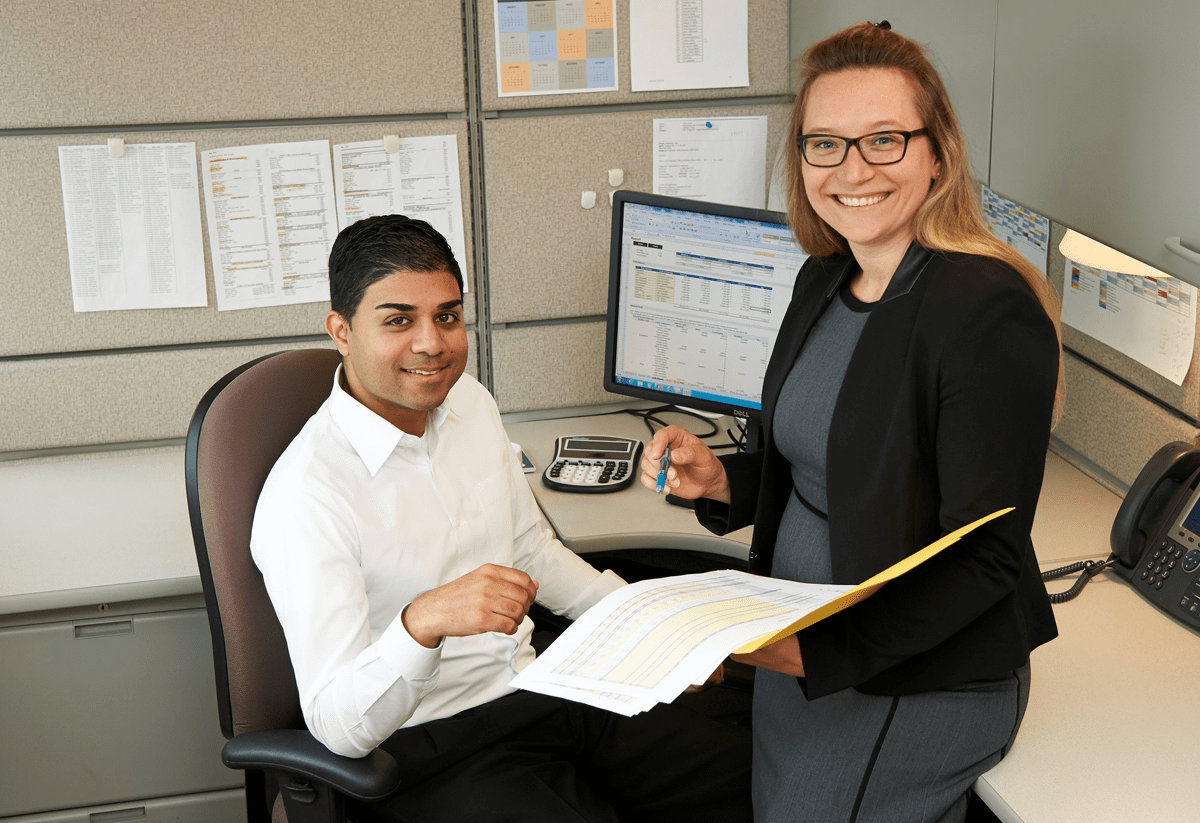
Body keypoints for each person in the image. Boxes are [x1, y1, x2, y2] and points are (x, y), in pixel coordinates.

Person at [640, 21, 1063, 823]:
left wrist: (812, 652)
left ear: (936, 152)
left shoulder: (982, 308)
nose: (852, 170)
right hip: (803, 639)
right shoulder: (824, 278)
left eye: (884, 141)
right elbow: (824, 463)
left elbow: (983, 559)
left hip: (912, 672)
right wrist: (725, 477)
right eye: (825, 145)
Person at [250, 213, 751, 823]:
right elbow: (336, 726)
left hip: (541, 692)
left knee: (758, 773)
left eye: (447, 315)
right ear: (342, 331)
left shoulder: (469, 401)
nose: (432, 342)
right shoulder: (307, 495)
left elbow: (532, 550)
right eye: (398, 320)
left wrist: (648, 630)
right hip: (431, 746)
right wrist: (420, 622)